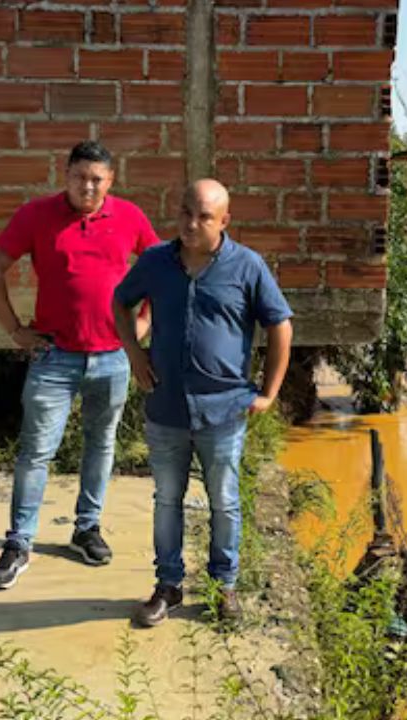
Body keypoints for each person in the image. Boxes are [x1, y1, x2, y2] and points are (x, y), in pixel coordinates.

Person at [113, 179, 293, 627]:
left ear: (224, 221)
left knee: (224, 501)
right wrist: (135, 355)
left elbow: (280, 325)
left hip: (223, 410)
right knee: (167, 500)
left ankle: (222, 587)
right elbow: (120, 301)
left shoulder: (247, 266)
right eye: (186, 213)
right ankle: (168, 586)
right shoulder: (156, 262)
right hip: (166, 408)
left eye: (204, 217)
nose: (192, 224)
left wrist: (269, 392)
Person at [0, 140, 159, 589]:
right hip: (54, 354)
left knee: (101, 443)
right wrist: (14, 329)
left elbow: (162, 271)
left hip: (112, 356)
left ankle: (87, 528)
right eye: (80, 177)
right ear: (66, 176)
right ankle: (19, 542)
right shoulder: (37, 215)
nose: (88, 187)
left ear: (110, 181)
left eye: (97, 179)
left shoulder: (130, 217)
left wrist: (142, 326)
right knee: (36, 451)